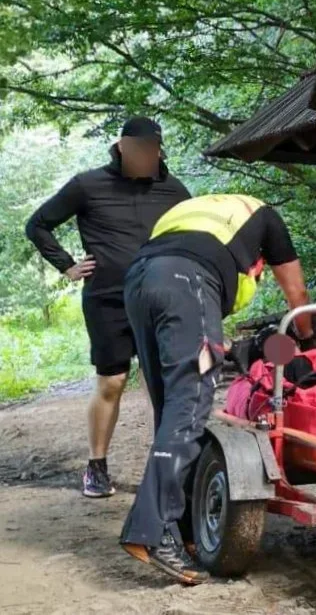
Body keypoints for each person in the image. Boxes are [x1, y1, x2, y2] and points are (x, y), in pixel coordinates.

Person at [118, 193, 314, 585]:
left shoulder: (189, 216)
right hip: (187, 284)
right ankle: (152, 531)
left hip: (139, 283)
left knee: (173, 409)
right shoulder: (265, 215)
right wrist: (309, 340)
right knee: (190, 404)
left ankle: (181, 529)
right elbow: (297, 294)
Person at [24, 117, 191, 499]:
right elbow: (37, 225)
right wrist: (66, 265)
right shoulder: (88, 185)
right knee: (112, 381)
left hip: (160, 298)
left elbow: (197, 232)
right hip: (107, 298)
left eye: (153, 151)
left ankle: (166, 465)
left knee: (161, 382)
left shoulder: (175, 191)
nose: (147, 158)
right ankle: (96, 467)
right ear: (120, 148)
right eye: (138, 151)